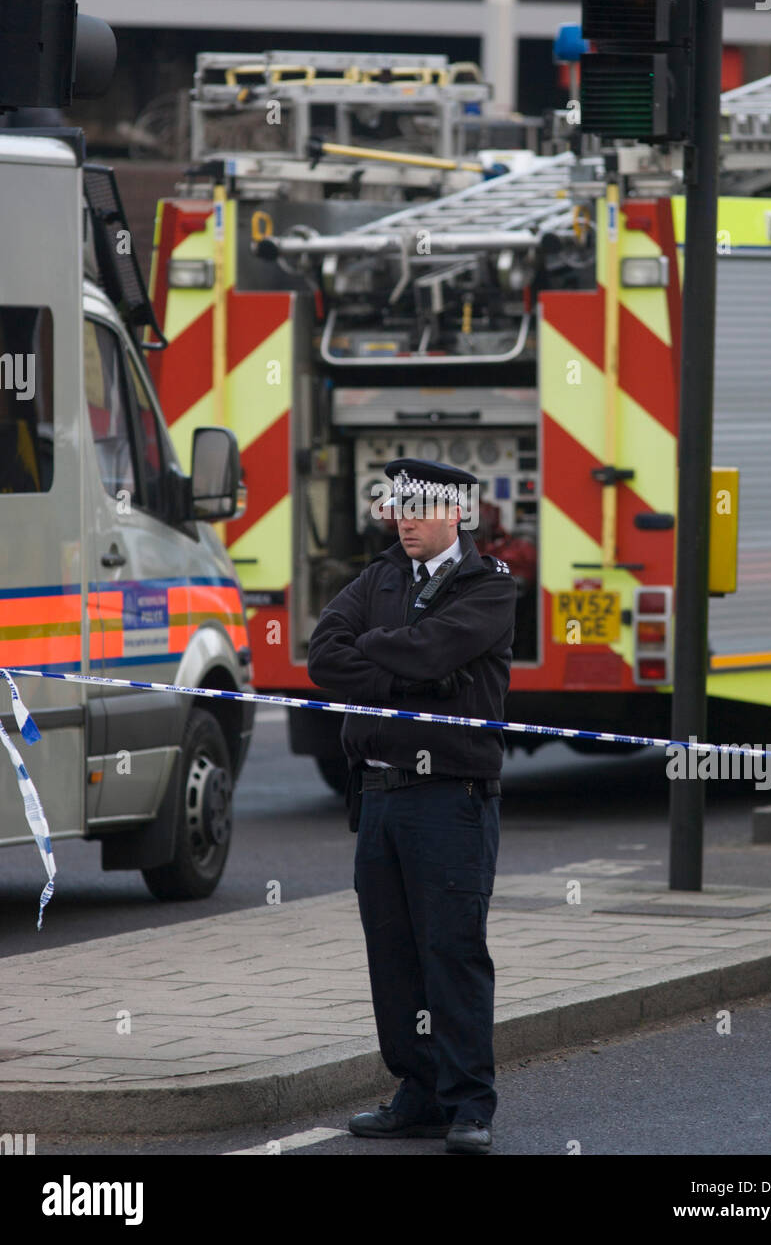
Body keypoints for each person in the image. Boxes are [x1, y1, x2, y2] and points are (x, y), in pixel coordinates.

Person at [307, 458, 517, 1154]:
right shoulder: (379, 578)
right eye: (397, 506)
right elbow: (324, 655)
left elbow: (437, 648)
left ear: (455, 513)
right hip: (379, 796)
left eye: (419, 508)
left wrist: (394, 664)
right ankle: (417, 1093)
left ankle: (469, 1105)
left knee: (452, 951)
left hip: (448, 799)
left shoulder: (487, 589)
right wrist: (413, 675)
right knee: (393, 955)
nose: (405, 520)